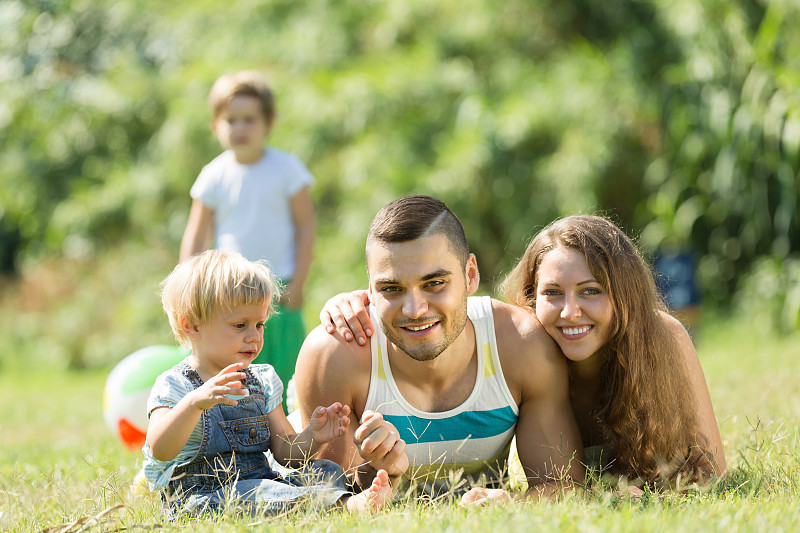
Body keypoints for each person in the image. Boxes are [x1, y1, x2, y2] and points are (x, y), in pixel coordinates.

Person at [321, 215, 727, 491]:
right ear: (531, 300)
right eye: (552, 293)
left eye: (591, 291)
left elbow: (714, 474)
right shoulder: (529, 350)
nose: (570, 312)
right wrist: (361, 300)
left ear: (625, 294)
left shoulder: (663, 339)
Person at [295, 196, 584, 504]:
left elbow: (566, 486)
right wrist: (379, 474)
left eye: (434, 283)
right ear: (370, 291)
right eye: (391, 289)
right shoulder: (334, 355)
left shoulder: (521, 344)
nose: (415, 310)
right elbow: (333, 500)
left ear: (470, 276)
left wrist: (513, 504)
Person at [142, 250, 390, 516]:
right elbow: (160, 449)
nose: (254, 337)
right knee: (257, 493)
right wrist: (194, 403)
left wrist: (313, 437)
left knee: (324, 470)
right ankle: (344, 507)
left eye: (260, 324)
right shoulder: (176, 385)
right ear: (192, 326)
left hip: (263, 483)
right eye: (240, 325)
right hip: (203, 496)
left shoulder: (261, 380)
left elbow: (284, 452)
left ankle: (319, 500)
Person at [179, 70, 315, 404]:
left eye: (249, 119)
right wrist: (187, 287)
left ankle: (290, 439)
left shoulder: (287, 169)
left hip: (279, 290)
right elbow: (196, 235)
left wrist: (298, 282)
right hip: (227, 292)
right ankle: (236, 433)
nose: (240, 128)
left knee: (287, 372)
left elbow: (306, 226)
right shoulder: (214, 175)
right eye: (231, 120)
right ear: (216, 125)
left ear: (268, 123)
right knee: (231, 370)